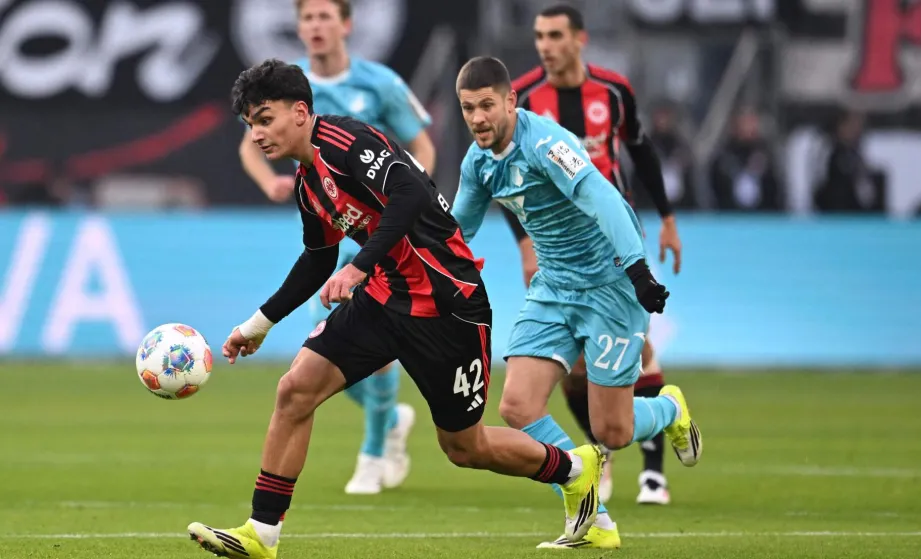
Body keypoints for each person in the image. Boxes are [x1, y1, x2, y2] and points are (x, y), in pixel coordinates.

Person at [187, 59, 607, 559]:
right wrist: (257, 325)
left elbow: (408, 190)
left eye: (264, 117)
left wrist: (360, 264)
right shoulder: (308, 182)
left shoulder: (348, 143)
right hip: (385, 299)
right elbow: (319, 257)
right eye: (250, 124)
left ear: (300, 112)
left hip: (449, 304)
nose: (257, 134)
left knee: (464, 448)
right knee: (295, 390)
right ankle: (262, 533)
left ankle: (576, 470)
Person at [452, 56, 702, 551]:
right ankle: (596, 518)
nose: (478, 118)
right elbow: (457, 231)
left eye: (486, 105)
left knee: (614, 428)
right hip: (553, 288)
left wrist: (638, 270)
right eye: (467, 109)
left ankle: (669, 409)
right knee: (518, 407)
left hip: (610, 285)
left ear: (509, 101)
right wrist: (392, 261)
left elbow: (604, 199)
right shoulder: (477, 163)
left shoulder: (546, 143)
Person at [238, 0, 437, 495]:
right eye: (307, 18)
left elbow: (421, 146)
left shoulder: (380, 83)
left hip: (385, 232)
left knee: (368, 346)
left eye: (326, 16)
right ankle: (389, 419)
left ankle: (373, 451)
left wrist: (418, 199)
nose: (316, 26)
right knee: (320, 349)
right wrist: (269, 183)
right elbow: (250, 143)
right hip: (335, 226)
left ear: (346, 25)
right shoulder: (285, 88)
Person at [506, 3, 683, 506]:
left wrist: (668, 219)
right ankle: (599, 454)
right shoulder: (524, 98)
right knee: (575, 367)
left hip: (613, 243)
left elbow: (642, 152)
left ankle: (652, 472)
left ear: (579, 39)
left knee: (639, 350)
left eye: (556, 35)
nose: (546, 45)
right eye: (540, 35)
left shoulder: (612, 91)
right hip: (558, 251)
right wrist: (524, 243)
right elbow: (504, 175)